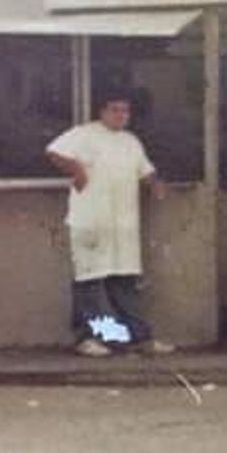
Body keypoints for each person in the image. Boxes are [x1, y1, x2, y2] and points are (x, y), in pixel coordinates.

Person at [46, 89, 175, 357]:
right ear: (102, 112)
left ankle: (137, 338)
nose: (121, 115)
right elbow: (54, 152)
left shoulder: (130, 141)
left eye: (125, 111)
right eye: (115, 109)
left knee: (125, 281)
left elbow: (146, 171)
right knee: (90, 282)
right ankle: (90, 338)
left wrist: (155, 185)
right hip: (91, 221)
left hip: (123, 225)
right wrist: (77, 170)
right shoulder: (84, 134)